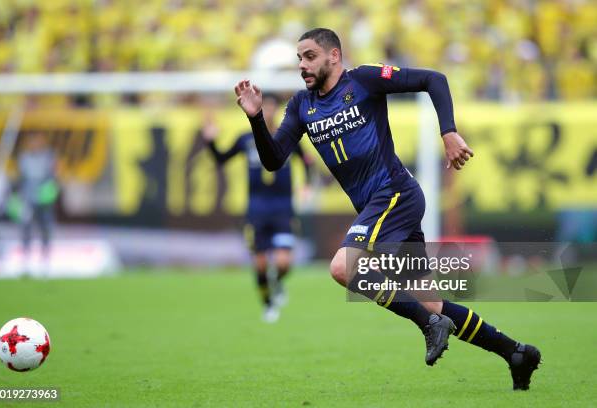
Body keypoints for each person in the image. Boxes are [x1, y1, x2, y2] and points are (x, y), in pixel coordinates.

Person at [234, 28, 541, 389]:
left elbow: (433, 79)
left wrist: (449, 131)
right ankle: (517, 352)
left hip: (394, 194)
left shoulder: (363, 81)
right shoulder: (301, 106)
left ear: (334, 56)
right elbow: (273, 160)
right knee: (431, 303)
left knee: (343, 268)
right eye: (299, 58)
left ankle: (428, 327)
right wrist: (256, 119)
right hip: (382, 205)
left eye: (310, 56)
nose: (302, 64)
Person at [201, 94, 312, 323]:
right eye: (265, 108)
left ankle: (278, 282)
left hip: (283, 208)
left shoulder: (287, 137)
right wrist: (211, 142)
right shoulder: (246, 140)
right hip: (257, 210)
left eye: (271, 108)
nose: (268, 112)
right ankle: (268, 304)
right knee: (260, 264)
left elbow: (307, 161)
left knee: (282, 263)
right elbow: (221, 159)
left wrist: (306, 185)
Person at [15, 133, 58, 263]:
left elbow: (53, 177)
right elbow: (20, 179)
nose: (35, 145)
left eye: (38, 141)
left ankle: (45, 258)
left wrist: (50, 190)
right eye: (32, 142)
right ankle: (26, 258)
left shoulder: (48, 157)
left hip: (44, 199)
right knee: (26, 227)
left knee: (45, 227)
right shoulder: (24, 158)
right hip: (28, 199)